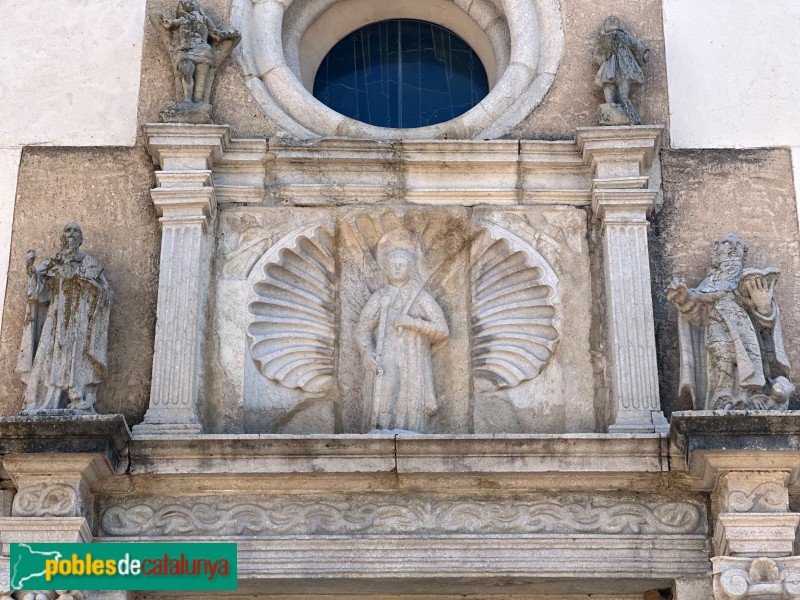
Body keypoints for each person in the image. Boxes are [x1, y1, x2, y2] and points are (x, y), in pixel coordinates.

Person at [666, 233, 790, 410]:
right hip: (717, 333)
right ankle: (723, 398)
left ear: (743, 253)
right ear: (716, 253)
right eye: (726, 243)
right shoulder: (709, 283)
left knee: (749, 360)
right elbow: (696, 315)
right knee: (721, 354)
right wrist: (684, 298)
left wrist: (764, 307)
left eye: (737, 245)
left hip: (749, 338)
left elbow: (767, 326)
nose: (732, 247)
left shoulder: (751, 282)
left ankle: (753, 396)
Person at [356, 229, 449, 432]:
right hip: (386, 357)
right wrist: (367, 352)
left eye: (402, 264)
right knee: (385, 396)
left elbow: (442, 330)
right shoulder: (381, 297)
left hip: (413, 358)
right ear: (386, 268)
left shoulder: (420, 297)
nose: (397, 268)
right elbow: (363, 329)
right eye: (392, 264)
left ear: (411, 268)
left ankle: (411, 433)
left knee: (412, 397)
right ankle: (381, 430)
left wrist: (412, 322)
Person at [16, 223, 114, 413]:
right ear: (62, 237)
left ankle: (77, 395)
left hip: (80, 319)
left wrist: (90, 285)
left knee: (76, 354)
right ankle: (46, 399)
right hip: (55, 317)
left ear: (81, 239)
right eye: (67, 231)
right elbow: (38, 293)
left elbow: (107, 293)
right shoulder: (53, 262)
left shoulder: (88, 263)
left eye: (75, 231)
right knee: (49, 354)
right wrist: (30, 269)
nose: (71, 235)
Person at [151, 0, 241, 105]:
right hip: (185, 50)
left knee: (201, 80)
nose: (189, 3)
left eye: (191, 2)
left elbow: (216, 35)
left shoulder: (205, 19)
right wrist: (168, 22)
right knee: (186, 72)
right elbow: (171, 24)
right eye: (186, 3)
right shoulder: (182, 20)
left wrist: (229, 34)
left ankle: (198, 104)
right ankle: (187, 100)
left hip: (203, 51)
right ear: (182, 7)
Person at [593, 16, 650, 125]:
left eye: (615, 20)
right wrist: (602, 56)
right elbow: (598, 53)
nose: (613, 21)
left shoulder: (625, 36)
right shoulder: (604, 39)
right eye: (609, 20)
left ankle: (624, 99)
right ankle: (610, 104)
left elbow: (635, 45)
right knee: (608, 83)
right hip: (610, 65)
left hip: (624, 64)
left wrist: (644, 52)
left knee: (624, 81)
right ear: (604, 27)